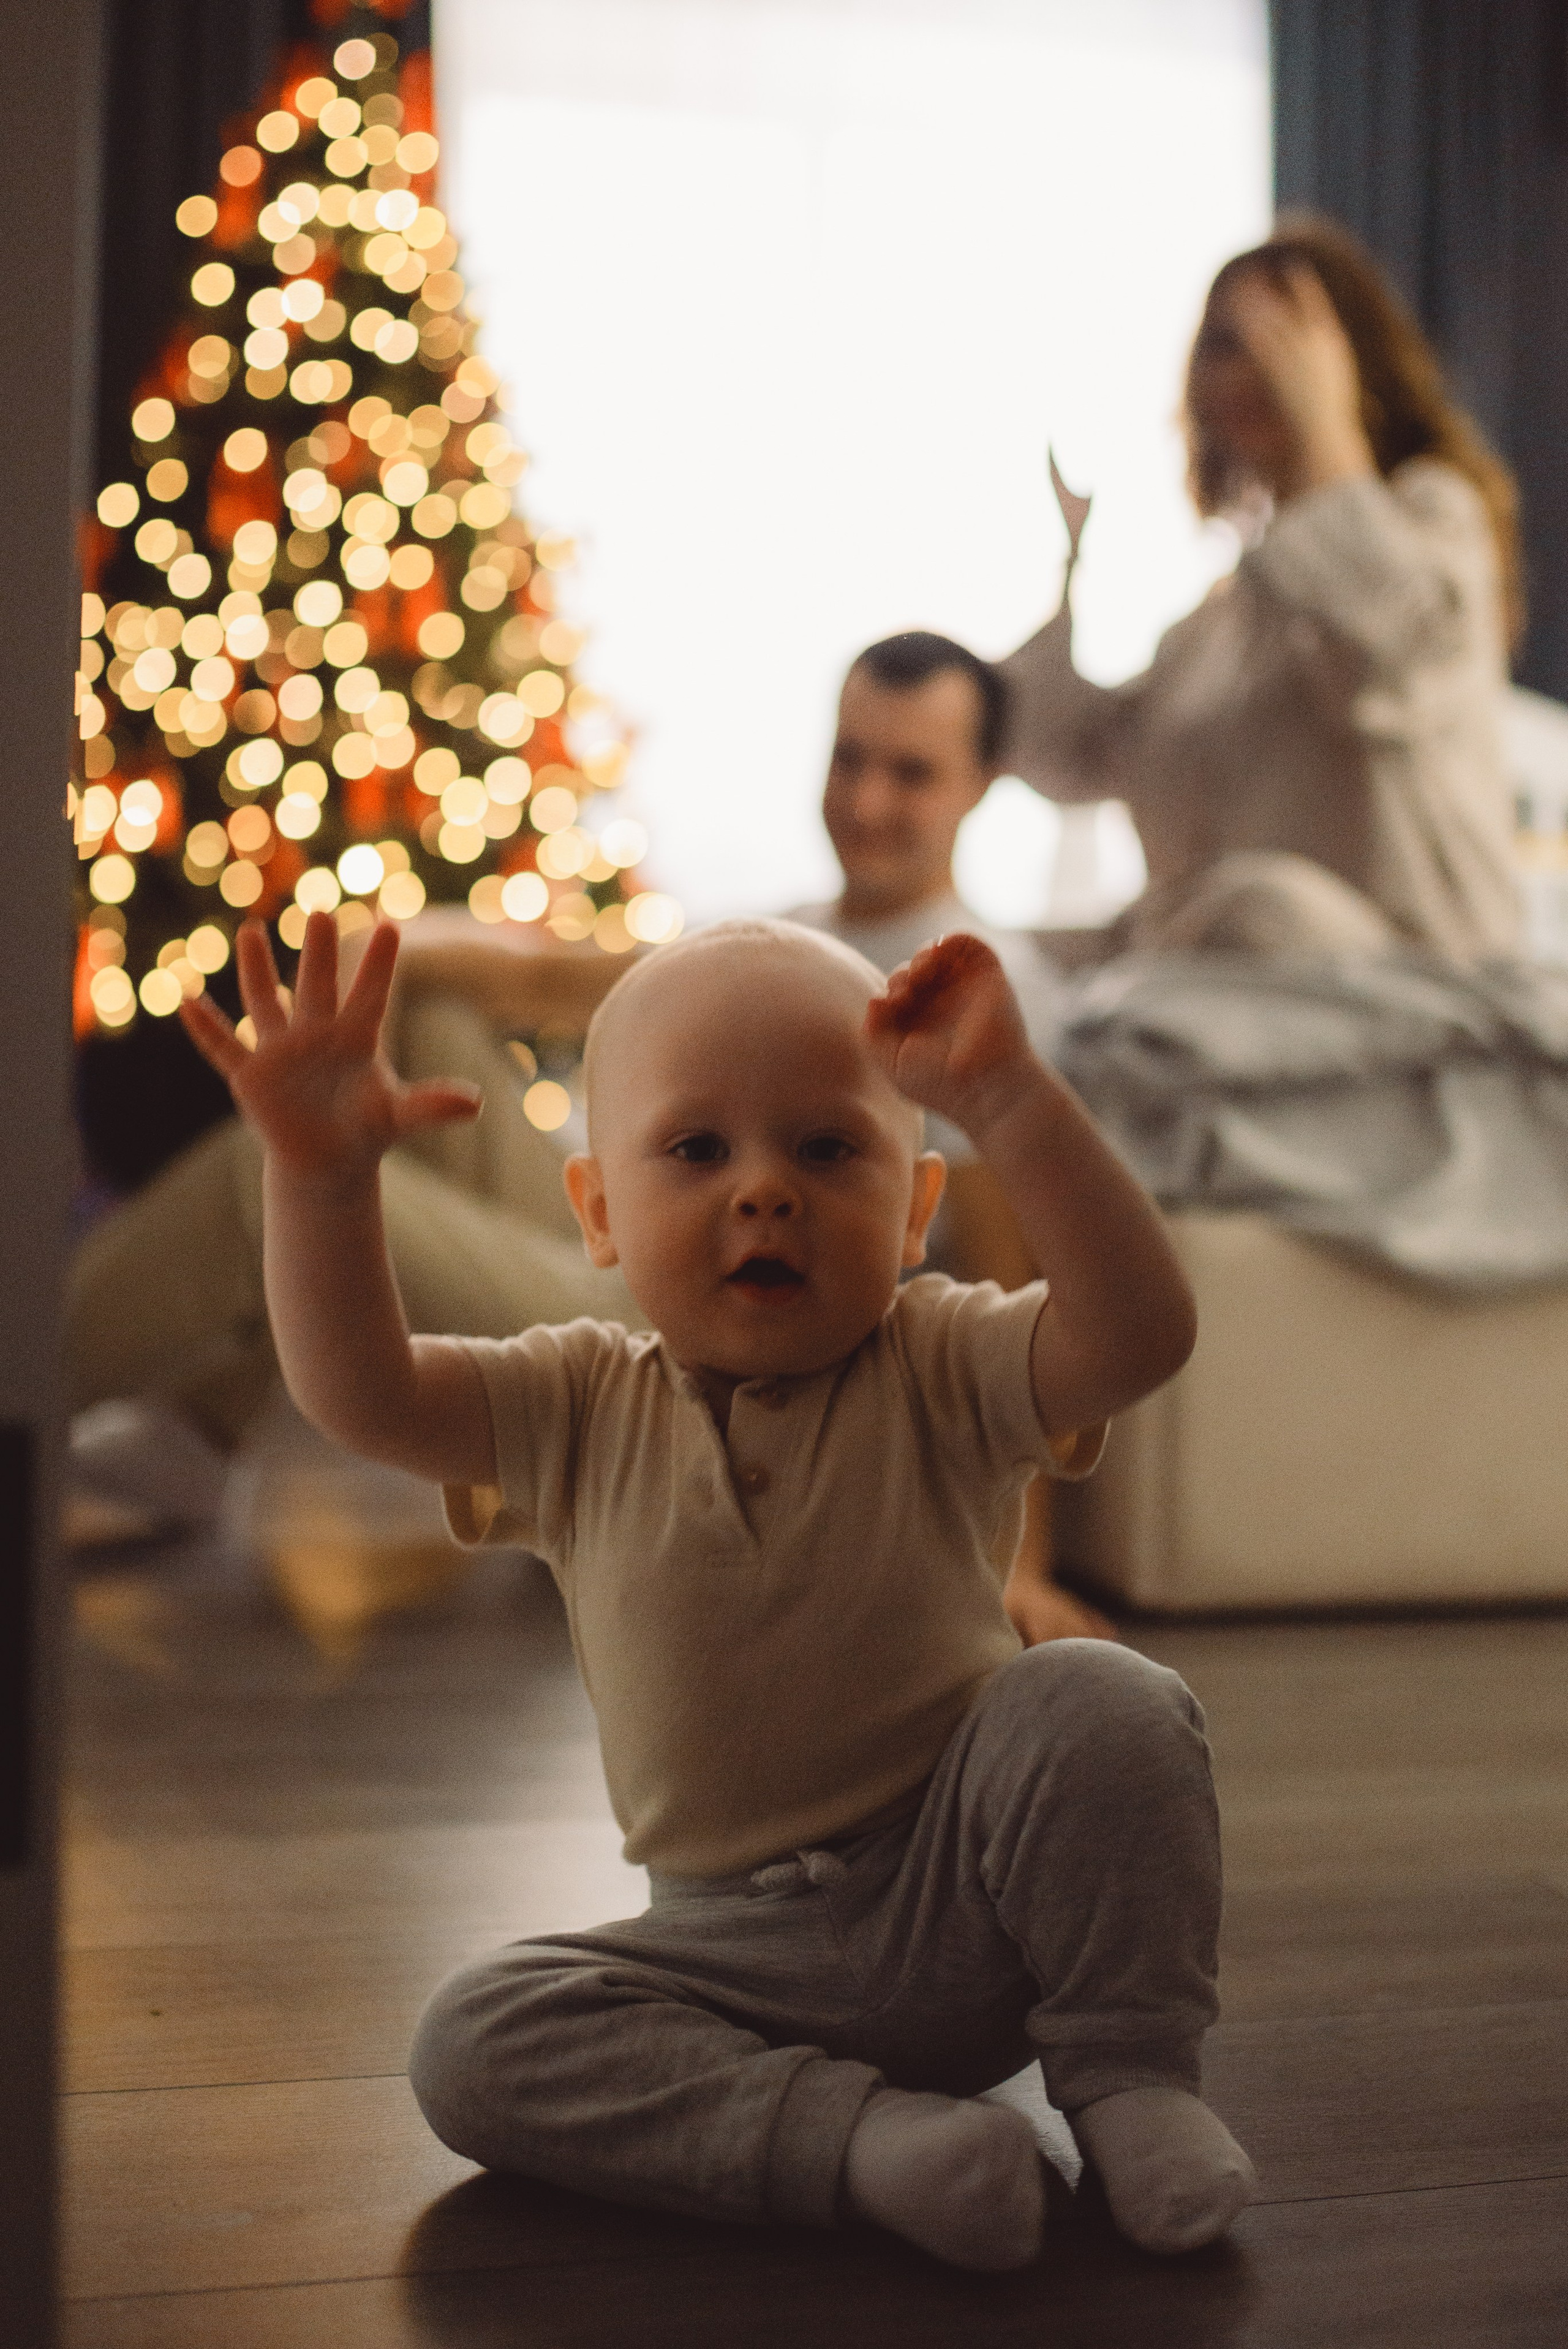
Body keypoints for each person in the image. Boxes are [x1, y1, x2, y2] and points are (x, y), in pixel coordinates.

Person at [179, 907, 1254, 2271]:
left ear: (914, 1208)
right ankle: (870, 2149)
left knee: (1101, 1699)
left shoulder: (937, 1360)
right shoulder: (572, 1399)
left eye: (825, 1149)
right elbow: (362, 1392)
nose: (763, 1191)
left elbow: (1137, 1331)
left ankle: (1132, 2085)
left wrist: (1006, 1098)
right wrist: (321, 1183)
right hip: (725, 1969)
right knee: (468, 2040)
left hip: (968, 1902)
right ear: (600, 1215)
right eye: (696, 1150)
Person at [1002, 212, 1525, 962]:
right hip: (1228, 1005)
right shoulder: (1221, 620)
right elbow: (1063, 756)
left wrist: (1326, 432)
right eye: (1223, 343)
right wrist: (1069, 558)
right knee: (986, 960)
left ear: (1344, 356)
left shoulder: (1434, 519)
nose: (1249, 366)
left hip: (1404, 1000)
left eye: (1282, 338)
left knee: (1258, 909)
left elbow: (1396, 654)